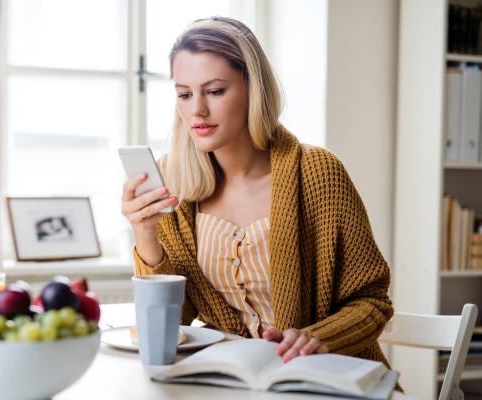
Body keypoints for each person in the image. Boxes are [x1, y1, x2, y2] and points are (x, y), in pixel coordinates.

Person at [121, 16, 396, 377]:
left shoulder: (318, 173)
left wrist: (316, 338)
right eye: (184, 94)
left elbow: (372, 301)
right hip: (232, 380)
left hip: (327, 378)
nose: (197, 110)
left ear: (253, 88)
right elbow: (177, 322)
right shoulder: (176, 183)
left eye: (215, 91)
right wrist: (145, 234)